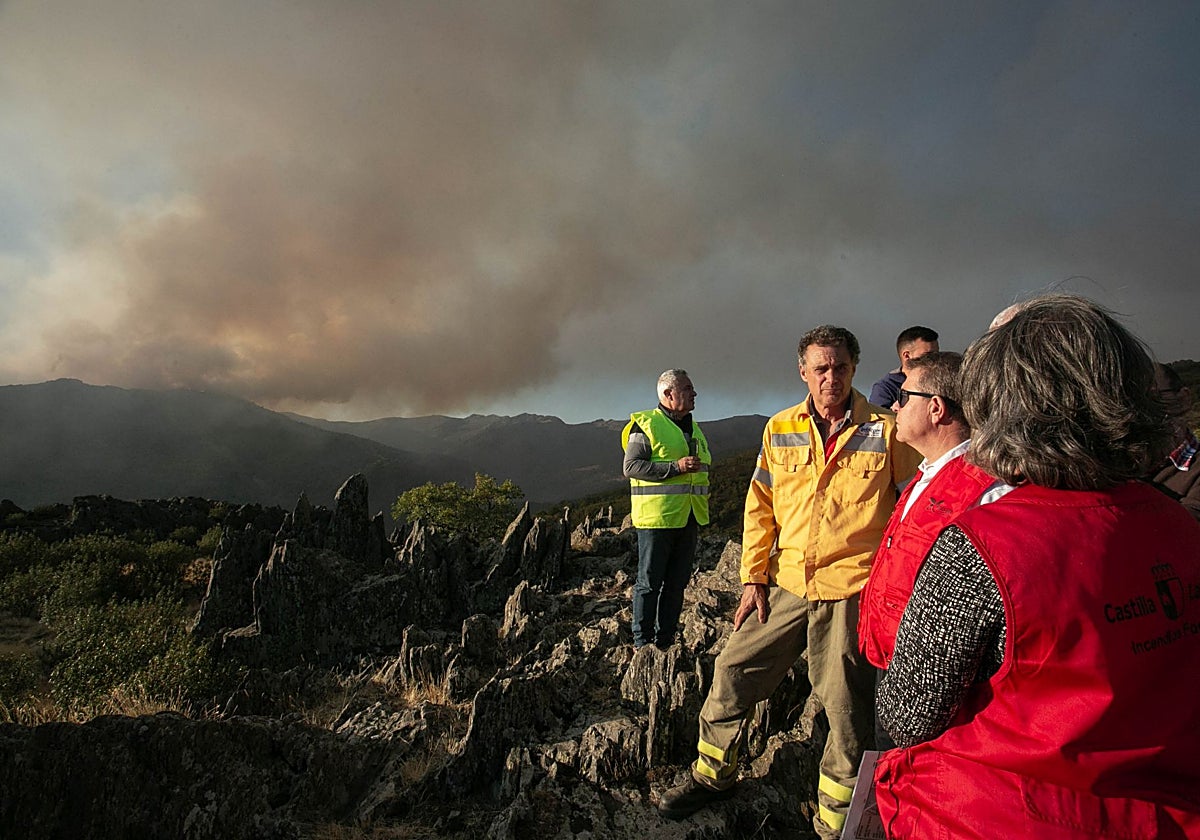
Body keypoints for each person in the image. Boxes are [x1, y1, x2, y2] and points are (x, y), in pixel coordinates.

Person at [873, 294, 1200, 839]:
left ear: (1006, 403)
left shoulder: (982, 545)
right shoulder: (1180, 526)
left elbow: (908, 714)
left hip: (1002, 815)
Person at [657, 326, 920, 839]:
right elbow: (760, 507)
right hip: (786, 584)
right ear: (803, 372)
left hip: (851, 591)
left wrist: (895, 589)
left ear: (854, 369)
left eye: (840, 367)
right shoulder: (779, 428)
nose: (831, 377)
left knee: (845, 712)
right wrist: (753, 578)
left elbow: (913, 510)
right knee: (732, 669)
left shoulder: (886, 431)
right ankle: (714, 776)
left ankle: (834, 824)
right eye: (820, 368)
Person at [856, 352, 1008, 747]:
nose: (894, 406)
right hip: (894, 661)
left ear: (936, 408)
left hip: (931, 692)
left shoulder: (987, 493)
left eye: (904, 398)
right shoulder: (925, 475)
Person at [621, 369, 711, 649]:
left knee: (677, 583)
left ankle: (666, 640)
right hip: (656, 520)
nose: (694, 393)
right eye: (687, 388)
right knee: (649, 583)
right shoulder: (645, 425)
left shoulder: (694, 428)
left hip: (688, 516)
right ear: (668, 394)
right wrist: (676, 467)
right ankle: (642, 643)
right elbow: (631, 467)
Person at [1147, 363, 1200, 523]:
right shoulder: (1112, 467)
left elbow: (1187, 527)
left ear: (1184, 398)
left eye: (1153, 398)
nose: (1140, 409)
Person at [868, 326, 939, 409]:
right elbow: (876, 421)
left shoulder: (942, 382)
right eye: (928, 355)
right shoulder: (885, 388)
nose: (935, 360)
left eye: (937, 354)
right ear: (907, 356)